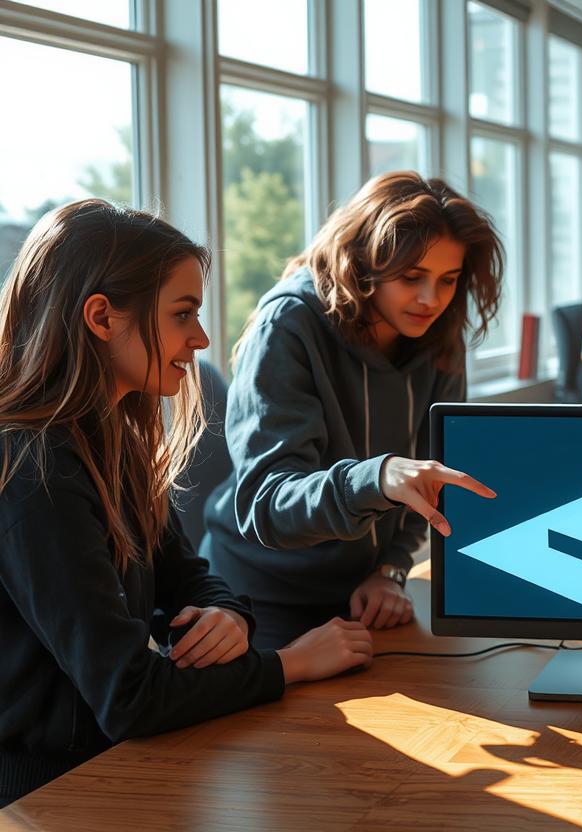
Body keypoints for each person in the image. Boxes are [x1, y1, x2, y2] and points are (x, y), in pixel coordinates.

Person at [0, 201, 374, 807]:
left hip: (116, 769)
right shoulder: (34, 470)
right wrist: (289, 665)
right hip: (49, 797)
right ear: (101, 316)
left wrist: (228, 618)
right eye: (183, 314)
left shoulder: (107, 442)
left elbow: (192, 574)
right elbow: (129, 696)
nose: (200, 339)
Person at [202, 172, 501, 649]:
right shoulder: (289, 325)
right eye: (411, 277)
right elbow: (267, 503)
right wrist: (376, 479)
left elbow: (433, 478)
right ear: (363, 261)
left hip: (365, 595)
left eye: (448, 280)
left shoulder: (441, 334)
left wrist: (390, 570)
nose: (432, 299)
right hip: (258, 601)